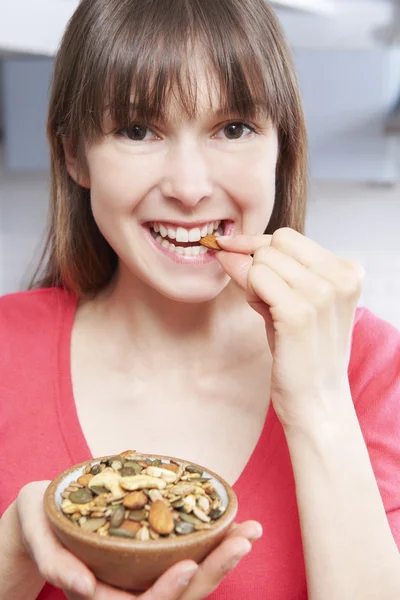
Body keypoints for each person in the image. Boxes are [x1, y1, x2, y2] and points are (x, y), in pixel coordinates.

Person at [1, 0, 400, 598]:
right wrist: (15, 553)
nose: (189, 188)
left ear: (281, 147)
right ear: (74, 155)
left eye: (232, 128)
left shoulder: (370, 365)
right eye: (138, 130)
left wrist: (321, 404)